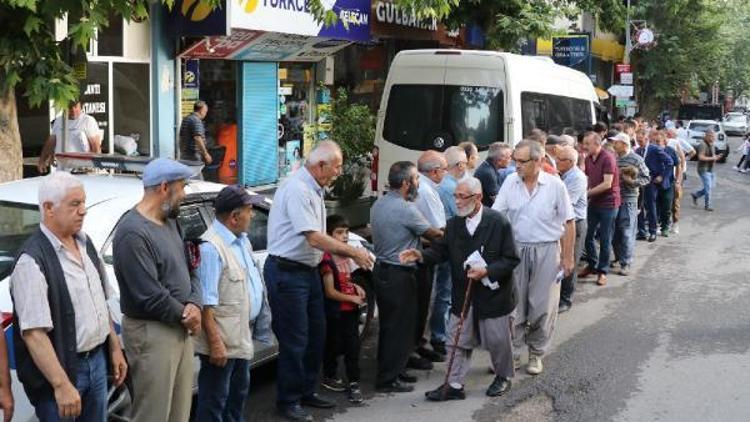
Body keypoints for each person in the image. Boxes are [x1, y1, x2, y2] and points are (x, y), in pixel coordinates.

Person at [264, 141, 373, 422]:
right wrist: (354, 252)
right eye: (336, 166)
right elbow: (313, 236)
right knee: (295, 339)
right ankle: (288, 400)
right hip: (288, 273)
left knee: (317, 334)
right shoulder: (297, 189)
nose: (338, 172)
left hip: (308, 271)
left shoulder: (314, 187)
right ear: (320, 164)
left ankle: (307, 390)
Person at [11, 172, 127, 421]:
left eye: (83, 203)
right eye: (75, 204)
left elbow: (100, 303)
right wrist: (61, 384)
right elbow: (34, 334)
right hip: (63, 372)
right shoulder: (32, 261)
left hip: (96, 362)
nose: (83, 211)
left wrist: (115, 348)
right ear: (49, 208)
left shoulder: (86, 245)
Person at [400, 178, 520, 401]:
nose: (457, 201)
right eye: (456, 196)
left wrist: (487, 271)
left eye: (462, 196)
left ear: (478, 198)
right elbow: (441, 252)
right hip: (463, 293)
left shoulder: (498, 222)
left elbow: (511, 259)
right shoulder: (454, 224)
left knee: (498, 341)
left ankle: (503, 376)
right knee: (457, 339)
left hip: (495, 295)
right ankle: (454, 384)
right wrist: (421, 255)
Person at [113, 158, 202, 422]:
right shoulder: (132, 232)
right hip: (153, 333)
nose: (184, 195)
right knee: (153, 414)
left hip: (180, 326)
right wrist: (187, 315)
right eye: (182, 187)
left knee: (179, 413)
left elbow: (191, 266)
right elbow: (148, 295)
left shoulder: (171, 221)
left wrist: (195, 304)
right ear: (164, 187)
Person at [492, 140, 575, 376]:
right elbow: (497, 216)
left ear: (538, 161)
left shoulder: (555, 185)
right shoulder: (510, 182)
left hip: (547, 250)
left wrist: (568, 258)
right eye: (514, 160)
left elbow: (569, 223)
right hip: (516, 250)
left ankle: (536, 353)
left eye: (521, 161)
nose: (515, 165)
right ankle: (514, 352)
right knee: (514, 305)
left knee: (542, 306)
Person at [194, 185, 273, 422]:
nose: (252, 215)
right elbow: (207, 304)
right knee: (214, 403)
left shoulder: (242, 241)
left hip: (239, 336)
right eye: (249, 210)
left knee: (236, 398)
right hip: (222, 343)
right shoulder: (211, 247)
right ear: (234, 217)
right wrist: (216, 344)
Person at [370, 161, 442, 393]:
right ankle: (388, 379)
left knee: (390, 327)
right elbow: (434, 234)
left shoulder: (379, 204)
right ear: (405, 183)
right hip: (399, 274)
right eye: (416, 180)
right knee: (400, 328)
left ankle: (394, 369)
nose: (418, 185)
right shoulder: (406, 209)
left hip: (382, 271)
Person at [319, 215, 366, 404]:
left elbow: (348, 278)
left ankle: (354, 381)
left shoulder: (346, 256)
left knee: (352, 347)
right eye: (339, 233)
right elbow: (330, 291)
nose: (345, 236)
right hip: (337, 311)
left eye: (346, 232)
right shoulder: (326, 260)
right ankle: (329, 374)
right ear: (328, 236)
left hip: (351, 310)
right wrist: (351, 297)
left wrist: (357, 287)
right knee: (334, 344)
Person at [413, 151, 449, 365]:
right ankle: (417, 344)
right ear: (435, 171)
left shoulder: (423, 187)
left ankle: (419, 343)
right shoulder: (427, 190)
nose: (445, 173)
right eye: (444, 169)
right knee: (425, 301)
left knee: (423, 302)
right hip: (425, 250)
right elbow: (438, 228)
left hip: (421, 249)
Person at [432, 146, 469, 354]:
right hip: (450, 245)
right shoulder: (450, 188)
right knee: (445, 292)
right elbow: (463, 213)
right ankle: (440, 336)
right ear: (460, 165)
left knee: (446, 291)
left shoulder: (449, 184)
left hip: (449, 243)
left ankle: (443, 333)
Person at [578, 132, 621, 287]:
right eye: (584, 143)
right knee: (587, 235)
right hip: (594, 203)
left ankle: (602, 270)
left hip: (609, 204)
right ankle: (592, 264)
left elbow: (607, 184)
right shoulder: (589, 158)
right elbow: (588, 178)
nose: (584, 146)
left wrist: (585, 194)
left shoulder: (608, 158)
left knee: (605, 238)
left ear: (597, 144)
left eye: (587, 144)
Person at [610, 134, 650, 276]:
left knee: (627, 231)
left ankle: (626, 262)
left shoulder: (636, 159)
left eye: (616, 142)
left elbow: (646, 177)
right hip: (613, 199)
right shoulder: (613, 158)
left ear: (624, 144)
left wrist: (632, 182)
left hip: (629, 199)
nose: (613, 144)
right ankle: (619, 257)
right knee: (614, 232)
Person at [556, 146, 588, 313]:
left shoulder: (577, 178)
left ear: (569, 162)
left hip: (575, 223)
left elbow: (565, 203)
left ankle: (566, 300)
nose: (556, 161)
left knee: (570, 260)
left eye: (560, 159)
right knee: (560, 259)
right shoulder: (564, 175)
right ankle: (558, 296)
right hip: (562, 223)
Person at [38, 100, 102, 173]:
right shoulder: (59, 121)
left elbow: (96, 147)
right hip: (61, 170)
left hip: (81, 171)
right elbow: (51, 142)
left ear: (81, 106)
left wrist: (92, 167)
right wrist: (42, 160)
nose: (73, 110)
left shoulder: (87, 121)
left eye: (75, 107)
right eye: (69, 107)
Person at [635, 129, 674, 242]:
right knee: (640, 206)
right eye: (637, 141)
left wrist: (662, 176)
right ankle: (641, 231)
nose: (639, 143)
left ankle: (653, 231)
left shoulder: (654, 149)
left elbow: (669, 162)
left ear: (646, 139)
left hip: (652, 181)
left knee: (651, 206)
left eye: (641, 140)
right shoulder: (638, 151)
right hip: (640, 182)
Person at [691, 130, 722, 212]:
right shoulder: (702, 145)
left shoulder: (712, 144)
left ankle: (696, 195)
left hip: (711, 169)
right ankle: (708, 205)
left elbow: (713, 157)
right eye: (712, 136)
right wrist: (713, 158)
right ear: (707, 136)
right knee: (708, 188)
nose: (714, 137)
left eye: (714, 136)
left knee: (710, 187)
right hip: (703, 169)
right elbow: (700, 157)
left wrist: (716, 157)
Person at [474, 142, 510, 206]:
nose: (510, 159)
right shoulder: (488, 173)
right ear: (499, 160)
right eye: (508, 157)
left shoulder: (488, 166)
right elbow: (498, 201)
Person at [179, 100, 213, 165]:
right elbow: (198, 138)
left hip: (185, 154)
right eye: (205, 112)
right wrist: (205, 154)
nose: (205, 114)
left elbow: (181, 137)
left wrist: (182, 151)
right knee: (196, 173)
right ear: (201, 110)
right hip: (193, 155)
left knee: (189, 174)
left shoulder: (186, 119)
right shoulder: (196, 120)